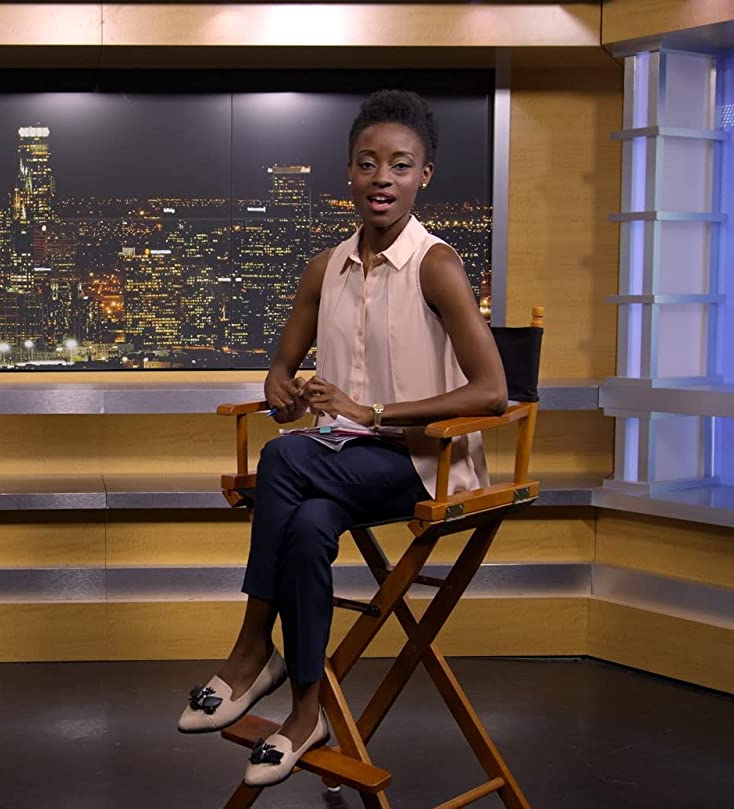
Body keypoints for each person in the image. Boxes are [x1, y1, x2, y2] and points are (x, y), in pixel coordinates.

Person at [176, 89, 508, 787]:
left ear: (424, 176)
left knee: (283, 456)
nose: (382, 178)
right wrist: (281, 387)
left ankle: (250, 648)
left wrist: (372, 411)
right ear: (349, 173)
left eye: (401, 165)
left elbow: (491, 392)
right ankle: (306, 712)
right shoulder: (324, 268)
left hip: (421, 461)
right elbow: (280, 368)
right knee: (306, 528)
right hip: (336, 462)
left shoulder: (436, 265)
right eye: (367, 163)